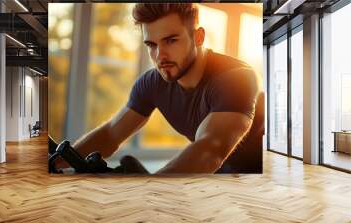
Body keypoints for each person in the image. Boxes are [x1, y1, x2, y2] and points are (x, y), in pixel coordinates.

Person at [56, 3, 263, 174]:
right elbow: (111, 134)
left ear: (198, 37)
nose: (160, 56)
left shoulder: (236, 77)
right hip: (214, 173)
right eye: (151, 45)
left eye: (171, 41)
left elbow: (209, 148)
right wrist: (57, 162)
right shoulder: (153, 82)